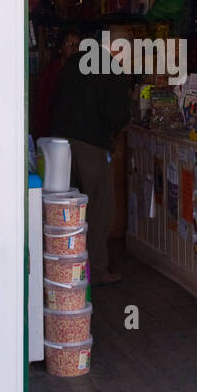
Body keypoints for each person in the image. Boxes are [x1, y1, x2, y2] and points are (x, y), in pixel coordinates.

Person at [49, 28, 130, 285]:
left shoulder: (74, 61)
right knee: (99, 207)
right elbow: (118, 115)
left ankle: (61, 265)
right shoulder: (112, 70)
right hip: (91, 144)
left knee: (66, 206)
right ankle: (96, 269)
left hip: (60, 144)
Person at [31, 28, 80, 138]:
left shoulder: (83, 73)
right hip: (52, 134)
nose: (74, 49)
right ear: (60, 48)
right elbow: (42, 110)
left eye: (77, 45)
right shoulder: (49, 74)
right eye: (69, 44)